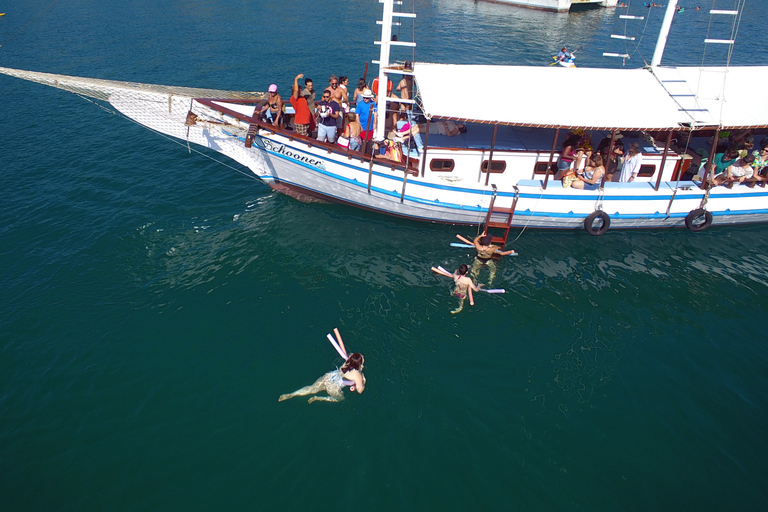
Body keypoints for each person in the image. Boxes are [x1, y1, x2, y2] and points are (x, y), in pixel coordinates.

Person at [278, 330, 366, 404]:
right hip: (334, 386)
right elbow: (360, 390)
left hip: (329, 376)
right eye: (362, 358)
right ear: (359, 364)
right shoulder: (357, 375)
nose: (363, 357)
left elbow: (351, 360)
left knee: (311, 388)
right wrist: (362, 379)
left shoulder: (349, 360)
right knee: (340, 399)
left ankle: (292, 394)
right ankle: (319, 398)